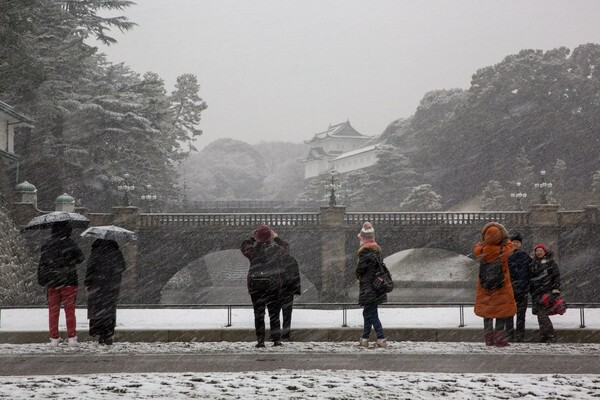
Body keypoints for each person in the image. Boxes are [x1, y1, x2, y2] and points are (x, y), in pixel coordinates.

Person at [241, 224, 289, 348]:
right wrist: (276, 238)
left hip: (256, 286)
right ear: (270, 237)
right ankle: (276, 339)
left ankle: (260, 340)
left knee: (258, 314)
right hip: (272, 285)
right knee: (274, 314)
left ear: (256, 237)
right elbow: (286, 247)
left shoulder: (253, 252)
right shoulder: (275, 251)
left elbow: (244, 246)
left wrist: (253, 238)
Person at [37, 221, 85, 346]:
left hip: (52, 282)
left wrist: (43, 279)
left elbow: (42, 263)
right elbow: (81, 258)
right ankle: (72, 337)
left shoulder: (47, 245)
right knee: (70, 311)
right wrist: (70, 260)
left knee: (53, 311)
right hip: (69, 281)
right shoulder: (70, 243)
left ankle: (54, 338)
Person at [473, 222, 515, 347]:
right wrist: (504, 236)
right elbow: (511, 246)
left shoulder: (482, 250)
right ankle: (499, 338)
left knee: (487, 314)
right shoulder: (503, 250)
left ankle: (488, 339)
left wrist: (484, 240)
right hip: (501, 285)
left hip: (485, 287)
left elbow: (476, 248)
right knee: (501, 313)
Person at [85, 239, 126, 346]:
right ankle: (108, 334)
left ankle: (99, 332)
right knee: (109, 309)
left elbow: (90, 268)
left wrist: (88, 282)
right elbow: (122, 267)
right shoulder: (116, 252)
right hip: (112, 286)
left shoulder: (95, 252)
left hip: (97, 285)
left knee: (98, 309)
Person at [355, 221, 387, 348]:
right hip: (376, 287)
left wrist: (359, 274)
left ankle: (381, 337)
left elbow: (360, 270)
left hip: (368, 288)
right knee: (368, 312)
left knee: (371, 313)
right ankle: (365, 338)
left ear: (363, 238)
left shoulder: (364, 252)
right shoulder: (376, 252)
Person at [530, 243, 561, 343]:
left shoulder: (550, 262)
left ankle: (550, 335)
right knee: (540, 315)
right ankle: (545, 335)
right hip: (536, 292)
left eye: (540, 250)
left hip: (546, 292)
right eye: (537, 250)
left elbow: (556, 275)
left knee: (542, 314)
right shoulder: (533, 263)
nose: (538, 252)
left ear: (544, 251)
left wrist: (555, 288)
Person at [506, 232, 532, 342]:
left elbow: (530, 272)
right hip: (509, 289)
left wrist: (527, 285)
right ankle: (509, 335)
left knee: (521, 315)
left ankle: (520, 336)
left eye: (518, 242)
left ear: (520, 244)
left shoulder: (525, 256)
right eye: (514, 242)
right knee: (509, 314)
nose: (516, 244)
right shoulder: (506, 255)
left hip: (522, 289)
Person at [280, 253, 301, 341]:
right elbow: (296, 275)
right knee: (287, 315)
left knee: (274, 315)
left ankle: (276, 336)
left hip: (276, 290)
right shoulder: (291, 259)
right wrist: (297, 290)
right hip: (288, 290)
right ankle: (285, 335)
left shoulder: (274, 258)